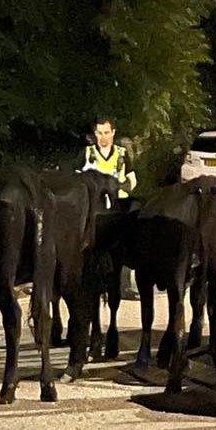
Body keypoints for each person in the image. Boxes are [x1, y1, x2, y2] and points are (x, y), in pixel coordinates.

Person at [80, 117, 139, 300]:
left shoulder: (122, 154)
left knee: (129, 237)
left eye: (106, 132)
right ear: (94, 134)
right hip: (92, 208)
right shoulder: (86, 153)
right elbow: (76, 178)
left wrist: (123, 187)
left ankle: (126, 282)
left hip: (117, 207)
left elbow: (132, 178)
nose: (103, 137)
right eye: (99, 133)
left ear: (113, 133)